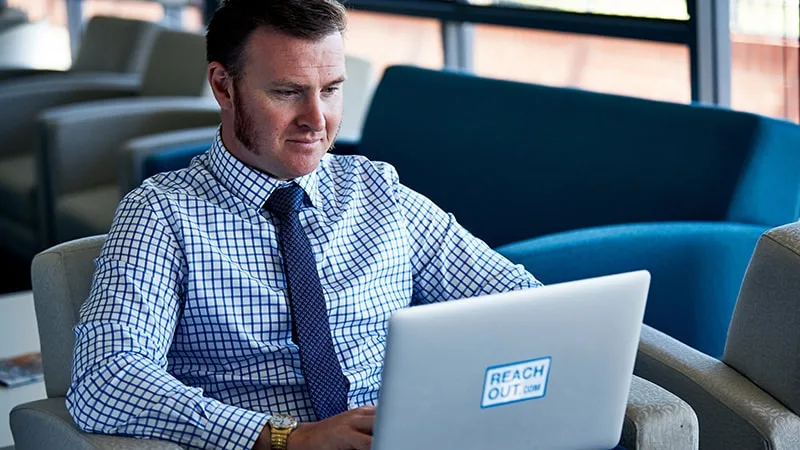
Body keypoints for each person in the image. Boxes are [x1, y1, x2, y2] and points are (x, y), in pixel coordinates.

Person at [65, 1, 541, 449]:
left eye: (331, 89)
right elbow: (105, 378)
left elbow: (525, 305)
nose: (317, 120)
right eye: (287, 92)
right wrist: (287, 439)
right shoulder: (163, 213)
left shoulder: (377, 190)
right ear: (223, 87)